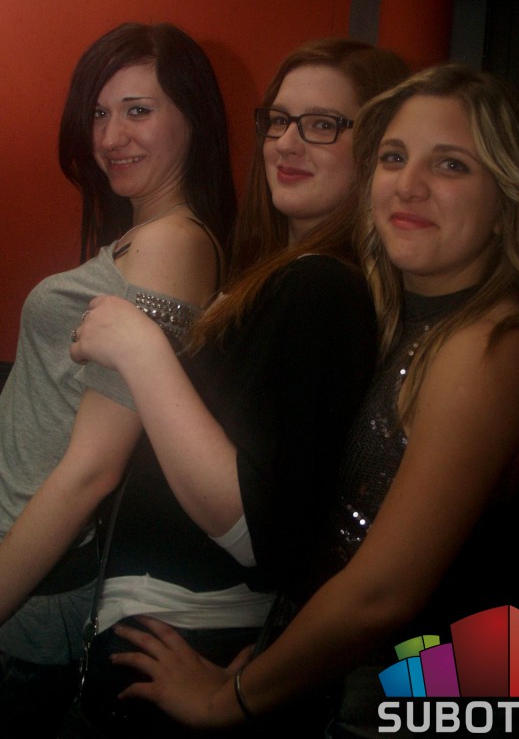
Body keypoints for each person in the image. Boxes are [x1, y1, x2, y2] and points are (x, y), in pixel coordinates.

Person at [102, 63, 519, 736]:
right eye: (393, 157)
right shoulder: (405, 319)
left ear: (508, 198)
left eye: (450, 165)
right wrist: (275, 663)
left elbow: (381, 595)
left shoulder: (493, 346)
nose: (408, 185)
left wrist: (227, 699)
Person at [0, 38, 411, 737]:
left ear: (375, 147)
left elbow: (258, 530)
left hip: (149, 623)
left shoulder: (319, 285)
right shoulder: (284, 272)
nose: (288, 142)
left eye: (323, 125)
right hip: (144, 621)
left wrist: (140, 349)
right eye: (278, 121)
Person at [0, 21, 236, 735]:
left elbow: (93, 469)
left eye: (138, 110)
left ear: (193, 118)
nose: (109, 137)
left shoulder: (173, 245)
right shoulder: (144, 238)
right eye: (100, 114)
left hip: (29, 580)